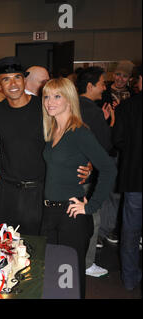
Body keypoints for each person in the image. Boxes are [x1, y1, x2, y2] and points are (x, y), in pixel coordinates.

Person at [0, 57, 90, 236]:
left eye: (17, 78)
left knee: (40, 246)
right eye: (6, 79)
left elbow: (70, 133)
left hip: (40, 192)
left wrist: (86, 162)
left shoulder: (44, 107)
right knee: (8, 245)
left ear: (24, 81)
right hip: (8, 193)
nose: (13, 84)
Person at [40, 77, 117, 298]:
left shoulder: (79, 132)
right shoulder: (53, 130)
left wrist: (90, 206)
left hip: (71, 214)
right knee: (53, 275)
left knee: (70, 278)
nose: (50, 102)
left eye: (57, 96)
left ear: (69, 99)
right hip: (50, 212)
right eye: (46, 96)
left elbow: (109, 169)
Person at [76, 66, 114, 277]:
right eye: (102, 83)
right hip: (86, 176)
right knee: (92, 219)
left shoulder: (71, 106)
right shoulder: (93, 111)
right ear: (90, 86)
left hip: (69, 175)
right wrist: (108, 122)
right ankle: (87, 263)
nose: (104, 87)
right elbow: (105, 146)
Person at [113, 66, 142, 291]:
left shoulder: (127, 107)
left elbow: (119, 141)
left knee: (130, 232)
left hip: (135, 178)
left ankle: (130, 279)